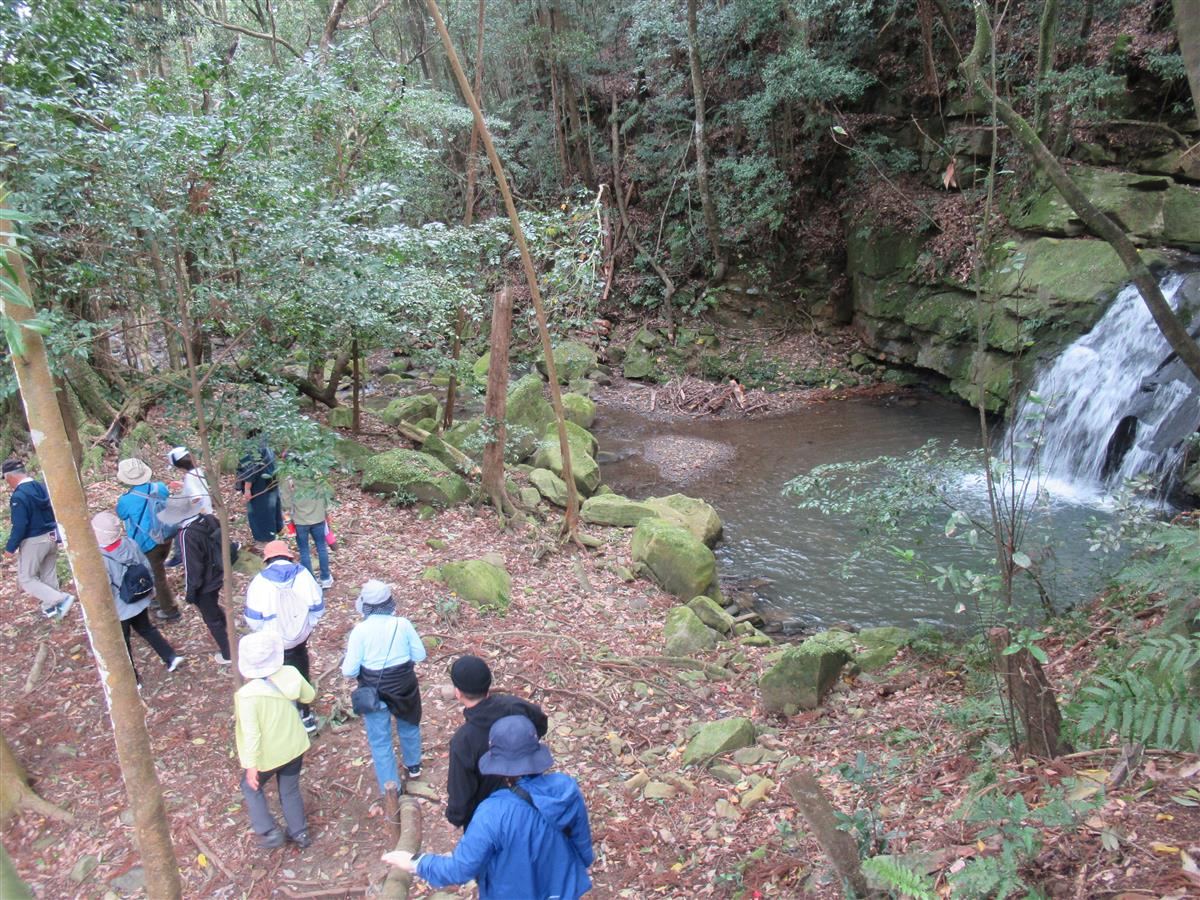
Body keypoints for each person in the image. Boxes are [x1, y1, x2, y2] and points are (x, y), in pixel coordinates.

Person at [383, 715, 594, 900]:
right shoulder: (566, 788)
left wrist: (415, 863)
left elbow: (460, 870)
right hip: (564, 888)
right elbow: (583, 847)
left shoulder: (493, 812)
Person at [340, 580, 426, 794]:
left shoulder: (360, 631)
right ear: (389, 602)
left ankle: (391, 787)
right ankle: (413, 764)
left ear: (365, 605)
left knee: (380, 738)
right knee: (409, 722)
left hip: (373, 690)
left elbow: (348, 671)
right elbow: (420, 655)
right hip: (404, 686)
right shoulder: (402, 624)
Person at [445, 654, 548, 829]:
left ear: (458, 693)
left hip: (488, 817)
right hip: (530, 797)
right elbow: (541, 723)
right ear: (488, 686)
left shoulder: (464, 740)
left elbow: (461, 789)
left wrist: (454, 818)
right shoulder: (514, 706)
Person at [234, 631, 314, 850]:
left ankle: (268, 831)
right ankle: (300, 833)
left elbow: (251, 734)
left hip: (268, 755)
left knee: (250, 787)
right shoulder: (291, 673)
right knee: (289, 789)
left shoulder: (247, 695)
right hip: (294, 745)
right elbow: (309, 696)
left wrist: (250, 766)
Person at [91, 511, 182, 682]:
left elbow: (106, 588)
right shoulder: (129, 543)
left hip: (120, 608)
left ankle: (133, 679)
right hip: (140, 599)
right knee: (147, 629)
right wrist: (152, 589)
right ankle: (170, 657)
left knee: (123, 643)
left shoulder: (100, 559)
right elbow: (146, 566)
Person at [245, 540, 325, 733]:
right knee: (300, 669)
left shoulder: (260, 582)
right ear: (288, 556)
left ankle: (283, 715)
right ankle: (305, 714)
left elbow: (253, 618)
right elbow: (318, 607)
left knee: (274, 673)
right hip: (300, 637)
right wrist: (307, 626)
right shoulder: (303, 574)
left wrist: (265, 632)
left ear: (268, 559)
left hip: (272, 639)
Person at [160, 501, 232, 664]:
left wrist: (190, 592)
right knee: (213, 608)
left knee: (211, 619)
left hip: (205, 583)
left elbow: (193, 568)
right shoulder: (208, 519)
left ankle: (229, 653)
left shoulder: (186, 535)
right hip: (218, 573)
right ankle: (228, 627)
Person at [2, 458, 74, 621]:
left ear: (9, 477)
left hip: (34, 540)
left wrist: (10, 548)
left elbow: (20, 525)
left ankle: (61, 599)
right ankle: (54, 610)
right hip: (51, 535)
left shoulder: (19, 496)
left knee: (26, 578)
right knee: (48, 573)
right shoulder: (42, 487)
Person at [115, 457, 180, 622]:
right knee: (156, 571)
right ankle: (158, 600)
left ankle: (171, 611)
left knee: (157, 576)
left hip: (146, 543)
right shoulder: (160, 487)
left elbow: (122, 515)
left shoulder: (125, 500)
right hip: (166, 536)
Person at [278, 465, 333, 589]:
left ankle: (310, 580)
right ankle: (325, 578)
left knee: (304, 551)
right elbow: (325, 496)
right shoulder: (317, 474)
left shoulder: (289, 480)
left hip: (300, 521)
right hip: (318, 518)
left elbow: (285, 503)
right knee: (321, 548)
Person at [236, 432, 282, 544]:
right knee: (271, 511)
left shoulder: (253, 447)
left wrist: (247, 488)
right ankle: (273, 535)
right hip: (270, 482)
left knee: (261, 513)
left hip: (260, 487)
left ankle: (265, 540)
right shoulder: (264, 441)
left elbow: (251, 469)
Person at [167, 447, 212, 515]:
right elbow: (199, 486)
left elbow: (197, 498)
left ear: (180, 466)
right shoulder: (197, 471)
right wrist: (183, 484)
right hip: (208, 512)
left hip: (200, 518)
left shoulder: (189, 477)